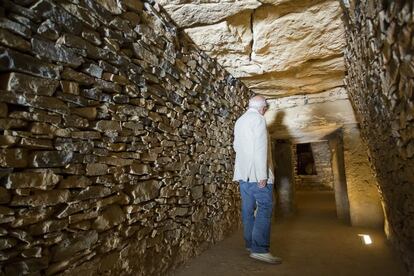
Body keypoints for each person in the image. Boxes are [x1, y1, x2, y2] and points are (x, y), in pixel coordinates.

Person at [233, 95, 281, 264]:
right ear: (263, 108)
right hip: (257, 175)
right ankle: (260, 249)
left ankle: (250, 244)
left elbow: (236, 147)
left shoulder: (239, 121)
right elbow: (261, 148)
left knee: (248, 209)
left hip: (243, 174)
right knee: (265, 207)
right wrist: (262, 175)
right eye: (265, 108)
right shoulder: (259, 120)